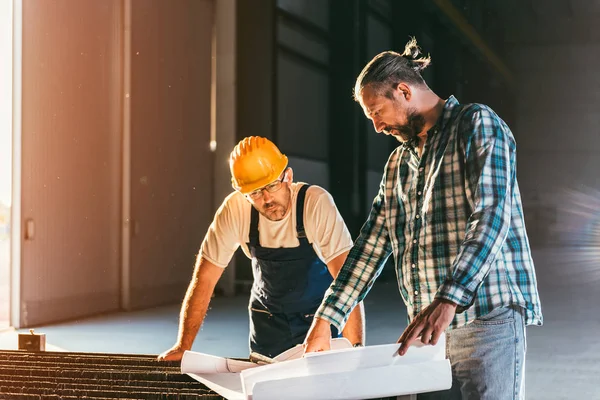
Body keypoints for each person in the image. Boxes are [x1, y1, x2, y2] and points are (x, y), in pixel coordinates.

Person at [303, 38, 542, 399]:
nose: (377, 128)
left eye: (377, 113)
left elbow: (492, 217)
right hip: (427, 335)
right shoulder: (399, 164)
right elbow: (370, 246)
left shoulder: (476, 124)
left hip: (486, 325)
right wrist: (329, 317)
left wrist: (448, 301)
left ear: (403, 91)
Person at [159, 136, 364, 361]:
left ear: (288, 176)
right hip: (268, 324)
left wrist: (356, 353)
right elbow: (205, 279)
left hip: (319, 319)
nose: (266, 199)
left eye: (271, 186)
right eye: (255, 192)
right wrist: (183, 346)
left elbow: (348, 283)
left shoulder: (314, 204)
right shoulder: (235, 210)